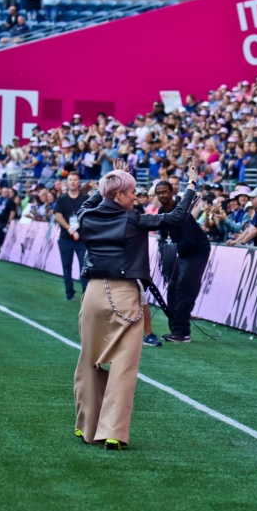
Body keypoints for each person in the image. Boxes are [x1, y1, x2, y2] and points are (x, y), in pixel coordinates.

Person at [73, 155, 199, 449]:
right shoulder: (132, 219)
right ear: (119, 195)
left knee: (88, 361)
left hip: (92, 293)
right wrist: (192, 184)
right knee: (124, 366)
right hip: (124, 294)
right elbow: (176, 217)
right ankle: (112, 431)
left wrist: (114, 176)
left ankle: (85, 424)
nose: (138, 197)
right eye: (132, 192)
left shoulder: (87, 216)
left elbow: (85, 205)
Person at [155, 179, 212, 343]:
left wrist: (171, 250)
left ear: (172, 192)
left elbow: (190, 241)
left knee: (185, 286)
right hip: (180, 250)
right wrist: (164, 250)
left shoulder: (182, 211)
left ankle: (182, 332)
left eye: (165, 192)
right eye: (159, 193)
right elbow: (162, 237)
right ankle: (175, 329)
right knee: (172, 286)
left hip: (197, 251)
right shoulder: (161, 211)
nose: (162, 195)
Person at [53, 172, 89, 301]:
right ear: (67, 182)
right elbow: (58, 215)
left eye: (75, 179)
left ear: (79, 182)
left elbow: (89, 214)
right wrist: (69, 228)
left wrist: (79, 226)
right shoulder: (62, 199)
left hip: (82, 239)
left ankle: (86, 295)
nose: (73, 182)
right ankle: (69, 293)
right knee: (66, 266)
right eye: (70, 180)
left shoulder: (85, 198)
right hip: (65, 238)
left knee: (84, 267)